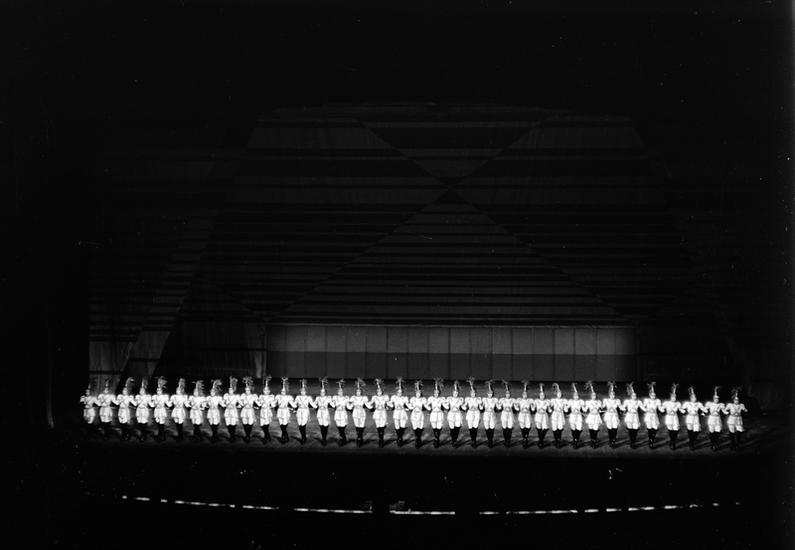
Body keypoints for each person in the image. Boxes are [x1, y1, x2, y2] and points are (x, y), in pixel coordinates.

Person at [681, 385, 706, 451]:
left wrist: (704, 412)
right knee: (690, 431)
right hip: (689, 418)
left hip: (696, 418)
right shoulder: (687, 403)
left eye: (695, 397)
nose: (694, 398)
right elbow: (681, 408)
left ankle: (691, 442)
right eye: (693, 397)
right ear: (690, 398)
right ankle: (691, 444)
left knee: (697, 431)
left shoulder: (698, 404)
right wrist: (684, 412)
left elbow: (704, 409)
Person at [368, 378, 390, 447]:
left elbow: (388, 403)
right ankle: (380, 438)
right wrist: (369, 406)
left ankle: (381, 438)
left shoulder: (385, 397)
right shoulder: (374, 397)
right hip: (377, 413)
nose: (379, 392)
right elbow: (369, 403)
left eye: (380, 391)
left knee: (382, 426)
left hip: (383, 413)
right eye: (378, 391)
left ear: (382, 392)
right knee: (378, 426)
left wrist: (389, 405)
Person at [312, 377, 333, 446]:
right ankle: (323, 438)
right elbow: (314, 404)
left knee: (325, 426)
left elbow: (333, 405)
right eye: (321, 392)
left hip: (325, 413)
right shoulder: (318, 398)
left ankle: (325, 438)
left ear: (325, 393)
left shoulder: (328, 398)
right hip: (320, 413)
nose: (322, 393)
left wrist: (335, 401)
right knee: (321, 426)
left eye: (323, 392)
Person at [389, 377, 409, 446]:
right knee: (397, 426)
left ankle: (400, 437)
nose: (399, 393)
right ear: (396, 392)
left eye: (401, 392)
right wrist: (390, 405)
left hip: (403, 413)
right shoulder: (393, 397)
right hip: (396, 413)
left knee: (402, 426)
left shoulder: (405, 398)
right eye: (398, 392)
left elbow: (408, 404)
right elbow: (390, 403)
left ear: (402, 392)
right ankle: (399, 437)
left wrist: (410, 407)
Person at [621, 382, 642, 448]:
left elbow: (643, 408)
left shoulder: (638, 402)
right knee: (630, 429)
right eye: (633, 395)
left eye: (635, 395)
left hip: (635, 416)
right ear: (631, 396)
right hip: (629, 416)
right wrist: (623, 409)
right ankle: (632, 441)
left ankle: (633, 440)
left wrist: (649, 409)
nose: (634, 396)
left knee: (635, 429)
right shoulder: (627, 401)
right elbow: (622, 407)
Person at [641, 381, 661, 448]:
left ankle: (652, 437)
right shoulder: (646, 400)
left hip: (655, 416)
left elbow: (660, 408)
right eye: (652, 395)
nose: (653, 396)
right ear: (649, 395)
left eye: (654, 395)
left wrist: (663, 409)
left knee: (655, 428)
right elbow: (642, 407)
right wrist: (647, 410)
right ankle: (651, 440)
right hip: (648, 416)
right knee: (649, 428)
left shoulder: (657, 401)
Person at [704, 386, 725, 451]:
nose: (717, 400)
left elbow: (724, 411)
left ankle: (715, 443)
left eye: (717, 399)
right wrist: (704, 412)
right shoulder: (710, 404)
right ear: (713, 399)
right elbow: (705, 409)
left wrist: (726, 412)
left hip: (718, 419)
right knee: (712, 432)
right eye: (715, 399)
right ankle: (713, 443)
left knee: (717, 432)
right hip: (712, 419)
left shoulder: (720, 404)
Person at [427, 378, 446, 448]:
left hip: (440, 414)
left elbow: (445, 406)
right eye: (435, 393)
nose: (436, 394)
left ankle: (437, 438)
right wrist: (429, 408)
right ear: (433, 393)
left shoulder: (442, 399)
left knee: (439, 427)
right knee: (434, 427)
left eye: (437, 393)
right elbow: (426, 405)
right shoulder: (431, 398)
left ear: (439, 393)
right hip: (433, 414)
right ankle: (436, 439)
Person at [661, 383, 681, 450]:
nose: (674, 398)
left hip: (675, 417)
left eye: (675, 397)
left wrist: (683, 411)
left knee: (676, 429)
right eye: (672, 397)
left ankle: (673, 441)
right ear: (670, 397)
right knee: (670, 430)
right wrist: (662, 410)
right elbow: (662, 409)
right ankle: (672, 441)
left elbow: (681, 410)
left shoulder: (678, 403)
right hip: (669, 417)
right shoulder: (666, 403)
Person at [445, 380, 464, 447]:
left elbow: (463, 406)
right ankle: (453, 440)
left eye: (456, 393)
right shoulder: (449, 398)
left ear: (458, 393)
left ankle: (455, 440)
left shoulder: (460, 399)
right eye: (454, 393)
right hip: (451, 414)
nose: (455, 394)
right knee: (452, 428)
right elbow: (446, 406)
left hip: (458, 414)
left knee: (457, 427)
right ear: (452, 393)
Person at [464, 377, 482, 447]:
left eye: (474, 393)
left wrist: (481, 405)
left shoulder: (478, 399)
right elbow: (464, 406)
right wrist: (463, 406)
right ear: (470, 393)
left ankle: (474, 440)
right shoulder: (467, 399)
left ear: (475, 393)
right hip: (470, 414)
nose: (473, 394)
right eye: (471, 393)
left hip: (476, 414)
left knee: (475, 427)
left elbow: (481, 407)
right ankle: (472, 439)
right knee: (470, 427)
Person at [602, 381, 621, 448]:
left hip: (615, 416)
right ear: (609, 395)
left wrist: (625, 408)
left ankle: (613, 439)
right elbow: (602, 406)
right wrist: (598, 406)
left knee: (615, 427)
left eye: (613, 395)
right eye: (611, 394)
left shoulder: (617, 400)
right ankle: (611, 440)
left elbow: (621, 407)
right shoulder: (606, 400)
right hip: (608, 416)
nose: (612, 396)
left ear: (614, 395)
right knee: (610, 428)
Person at [567, 383, 586, 449]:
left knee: (579, 428)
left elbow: (584, 409)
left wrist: (585, 408)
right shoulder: (570, 401)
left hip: (579, 416)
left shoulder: (581, 401)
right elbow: (567, 408)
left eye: (577, 395)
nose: (576, 396)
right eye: (575, 395)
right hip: (572, 416)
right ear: (573, 396)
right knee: (573, 428)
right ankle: (575, 440)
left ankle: (576, 439)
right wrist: (564, 407)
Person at [239, 377, 258, 443]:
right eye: (246, 390)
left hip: (250, 411)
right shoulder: (243, 396)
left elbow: (257, 403)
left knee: (250, 423)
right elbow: (240, 402)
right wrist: (242, 404)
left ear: (250, 390)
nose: (247, 391)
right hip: (244, 410)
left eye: (248, 390)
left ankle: (248, 434)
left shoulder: (253, 396)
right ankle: (247, 434)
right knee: (244, 423)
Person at [351, 378, 369, 447]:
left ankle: (359, 437)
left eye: (359, 391)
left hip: (362, 412)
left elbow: (368, 405)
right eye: (357, 391)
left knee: (361, 425)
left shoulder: (364, 398)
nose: (358, 392)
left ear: (361, 392)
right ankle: (359, 437)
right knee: (357, 425)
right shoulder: (353, 397)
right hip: (355, 412)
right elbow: (350, 406)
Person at [151, 377, 170, 442]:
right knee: (158, 423)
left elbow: (168, 404)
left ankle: (162, 435)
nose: (158, 391)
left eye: (159, 390)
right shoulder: (155, 397)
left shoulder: (164, 397)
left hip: (161, 410)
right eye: (157, 390)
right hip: (157, 410)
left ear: (162, 391)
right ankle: (160, 434)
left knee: (161, 423)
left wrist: (171, 403)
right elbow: (152, 405)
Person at [294, 379, 313, 445]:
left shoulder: (308, 397)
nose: (302, 392)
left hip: (305, 411)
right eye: (301, 391)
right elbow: (294, 404)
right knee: (300, 425)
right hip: (299, 412)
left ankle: (303, 438)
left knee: (303, 425)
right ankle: (303, 436)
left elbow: (313, 405)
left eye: (304, 391)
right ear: (300, 391)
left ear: (305, 392)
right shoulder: (297, 397)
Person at [409, 380, 427, 448]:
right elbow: (410, 406)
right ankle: (417, 438)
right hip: (414, 414)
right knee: (415, 426)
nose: (418, 394)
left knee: (420, 426)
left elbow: (425, 406)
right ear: (415, 393)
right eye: (417, 393)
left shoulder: (423, 399)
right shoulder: (412, 399)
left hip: (420, 414)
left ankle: (419, 438)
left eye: (419, 393)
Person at [584, 381, 602, 448]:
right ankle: (592, 440)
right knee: (591, 429)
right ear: (591, 396)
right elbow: (585, 409)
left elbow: (601, 407)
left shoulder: (598, 402)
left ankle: (594, 440)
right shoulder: (588, 402)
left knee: (595, 429)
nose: (594, 396)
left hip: (596, 416)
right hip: (591, 416)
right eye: (593, 395)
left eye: (595, 395)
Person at [276, 377, 294, 444]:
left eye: (283, 391)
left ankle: (283, 435)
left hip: (285, 411)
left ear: (286, 391)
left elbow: (293, 404)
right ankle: (285, 435)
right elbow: (274, 403)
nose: (282, 392)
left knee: (285, 424)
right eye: (281, 391)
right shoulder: (278, 396)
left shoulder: (288, 397)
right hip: (280, 411)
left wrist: (296, 406)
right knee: (281, 424)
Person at [532, 383, 551, 448]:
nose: (542, 396)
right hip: (538, 416)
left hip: (544, 416)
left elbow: (549, 410)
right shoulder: (536, 401)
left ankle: (541, 439)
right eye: (541, 395)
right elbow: (533, 409)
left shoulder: (547, 401)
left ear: (544, 396)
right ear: (539, 396)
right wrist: (532, 407)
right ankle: (541, 441)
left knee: (545, 428)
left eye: (543, 395)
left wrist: (550, 408)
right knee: (539, 429)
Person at [257, 375, 275, 443]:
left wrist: (274, 403)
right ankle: (268, 435)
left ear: (269, 391)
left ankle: (266, 437)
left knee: (266, 424)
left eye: (267, 390)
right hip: (262, 411)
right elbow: (259, 404)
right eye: (264, 390)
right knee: (262, 425)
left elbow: (273, 405)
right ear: (263, 390)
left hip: (267, 411)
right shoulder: (261, 396)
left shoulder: (271, 397)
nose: (266, 391)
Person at [498, 380, 515, 448]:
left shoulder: (513, 400)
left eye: (509, 394)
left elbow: (516, 409)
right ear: (505, 394)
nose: (508, 395)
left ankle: (509, 441)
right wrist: (499, 406)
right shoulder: (502, 400)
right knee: (504, 428)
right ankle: (505, 440)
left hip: (510, 415)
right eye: (507, 394)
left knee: (510, 428)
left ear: (510, 394)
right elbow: (498, 408)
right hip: (504, 415)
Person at [332, 379, 350, 446]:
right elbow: (333, 405)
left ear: (343, 392)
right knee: (339, 426)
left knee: (343, 427)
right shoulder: (335, 398)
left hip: (343, 414)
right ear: (337, 392)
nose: (340, 392)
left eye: (341, 391)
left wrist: (353, 404)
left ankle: (342, 438)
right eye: (339, 391)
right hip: (337, 414)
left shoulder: (345, 398)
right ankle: (342, 438)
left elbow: (348, 407)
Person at [481, 380, 499, 448]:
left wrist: (499, 406)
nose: (490, 394)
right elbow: (481, 407)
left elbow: (498, 407)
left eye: (491, 393)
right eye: (489, 393)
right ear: (487, 393)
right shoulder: (484, 399)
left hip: (492, 415)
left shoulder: (495, 399)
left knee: (492, 428)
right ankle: (489, 439)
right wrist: (481, 406)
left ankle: (491, 440)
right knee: (487, 427)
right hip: (486, 415)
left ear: (492, 394)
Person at [222, 376, 240, 442]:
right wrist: (225, 406)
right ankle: (231, 435)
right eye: (229, 390)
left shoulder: (236, 396)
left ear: (233, 390)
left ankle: (233, 436)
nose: (230, 391)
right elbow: (222, 403)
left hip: (233, 411)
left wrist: (237, 406)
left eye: (231, 390)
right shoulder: (226, 396)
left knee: (233, 424)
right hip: (227, 411)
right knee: (228, 424)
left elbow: (240, 403)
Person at [549, 383, 566, 448]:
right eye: (558, 393)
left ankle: (559, 439)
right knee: (555, 428)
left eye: (560, 393)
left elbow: (566, 409)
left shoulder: (564, 400)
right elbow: (550, 407)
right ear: (556, 394)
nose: (559, 394)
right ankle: (556, 440)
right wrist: (550, 407)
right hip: (555, 415)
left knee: (560, 428)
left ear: (561, 394)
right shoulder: (553, 400)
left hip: (561, 415)